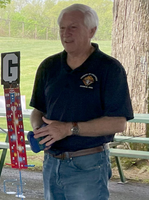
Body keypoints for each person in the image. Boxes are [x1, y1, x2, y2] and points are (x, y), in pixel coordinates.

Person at [29, 4, 133, 200]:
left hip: (88, 165)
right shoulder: (48, 66)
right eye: (61, 28)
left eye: (73, 27)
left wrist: (68, 129)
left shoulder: (109, 68)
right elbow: (38, 110)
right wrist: (40, 130)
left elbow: (119, 122)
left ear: (92, 31)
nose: (65, 34)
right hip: (51, 163)